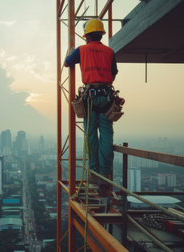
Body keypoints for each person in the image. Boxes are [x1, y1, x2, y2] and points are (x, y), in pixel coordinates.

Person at [64, 19, 118, 194]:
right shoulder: (109, 52)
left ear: (86, 35)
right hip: (106, 97)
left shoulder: (82, 50)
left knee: (90, 136)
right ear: (101, 34)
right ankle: (104, 175)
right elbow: (114, 72)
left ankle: (94, 175)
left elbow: (67, 62)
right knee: (106, 135)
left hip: (90, 98)